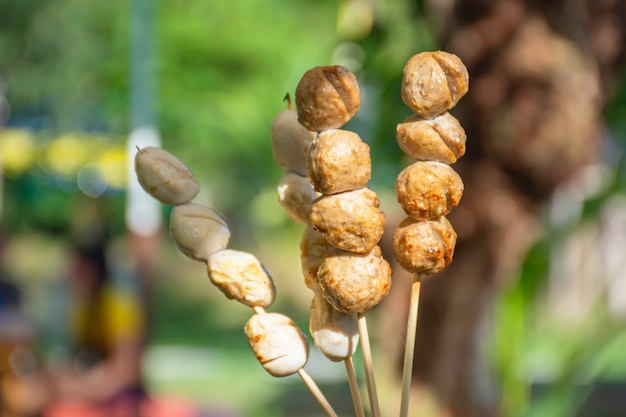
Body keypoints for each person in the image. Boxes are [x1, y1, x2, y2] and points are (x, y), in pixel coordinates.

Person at [44, 238, 147, 417]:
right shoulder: (81, 310)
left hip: (123, 398)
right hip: (95, 390)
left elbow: (126, 372)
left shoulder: (117, 307)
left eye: (77, 269)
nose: (70, 275)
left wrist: (79, 387)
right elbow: (80, 360)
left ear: (92, 271)